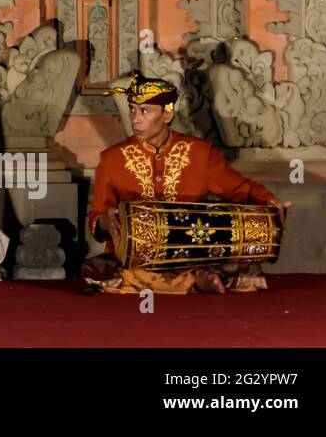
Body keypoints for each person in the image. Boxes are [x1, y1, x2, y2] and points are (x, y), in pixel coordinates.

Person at [83, 73, 291, 294]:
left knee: (242, 261)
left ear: (168, 114)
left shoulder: (200, 153)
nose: (135, 118)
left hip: (193, 256)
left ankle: (190, 278)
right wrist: (104, 221)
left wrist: (270, 201)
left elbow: (241, 189)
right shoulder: (112, 158)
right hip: (136, 261)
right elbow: (97, 215)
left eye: (144, 111)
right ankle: (197, 281)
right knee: (95, 269)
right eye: (132, 108)